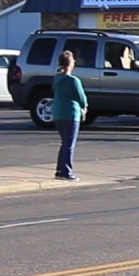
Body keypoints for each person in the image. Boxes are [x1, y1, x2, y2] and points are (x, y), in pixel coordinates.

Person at [51, 50, 87, 181]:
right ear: (71, 63)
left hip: (58, 112)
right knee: (69, 144)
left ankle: (60, 169)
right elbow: (81, 97)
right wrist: (84, 106)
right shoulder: (73, 80)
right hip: (70, 113)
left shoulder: (57, 78)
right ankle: (66, 171)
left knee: (64, 143)